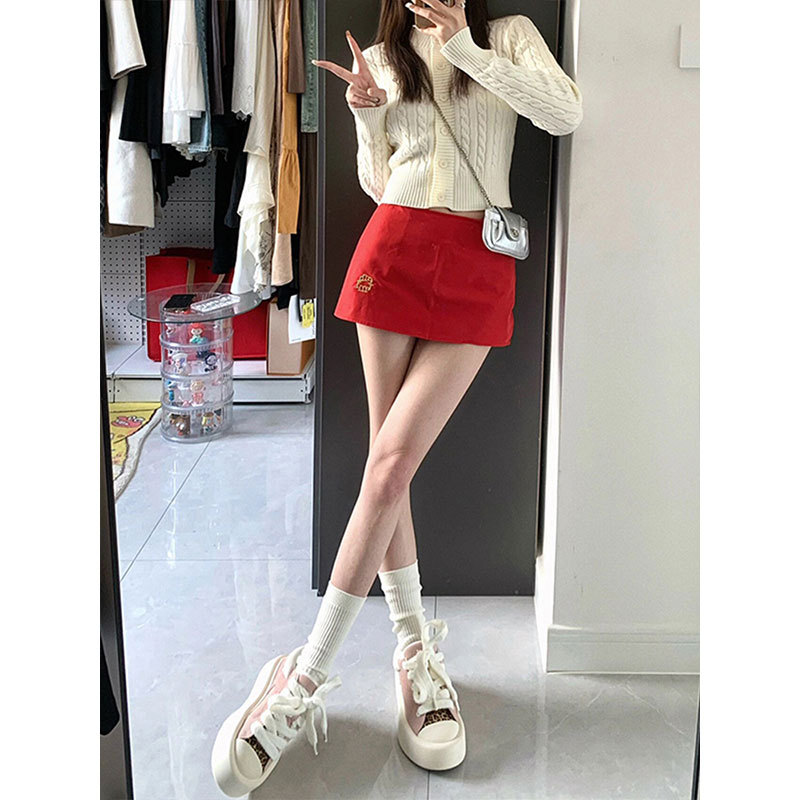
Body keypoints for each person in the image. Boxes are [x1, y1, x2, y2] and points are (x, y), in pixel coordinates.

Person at [212, 1, 582, 794]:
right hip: (396, 249)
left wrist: (465, 49)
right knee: (388, 468)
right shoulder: (383, 56)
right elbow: (379, 182)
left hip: (480, 259)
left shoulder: (508, 36)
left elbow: (563, 113)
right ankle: (396, 655)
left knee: (390, 467)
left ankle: (314, 673)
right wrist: (363, 113)